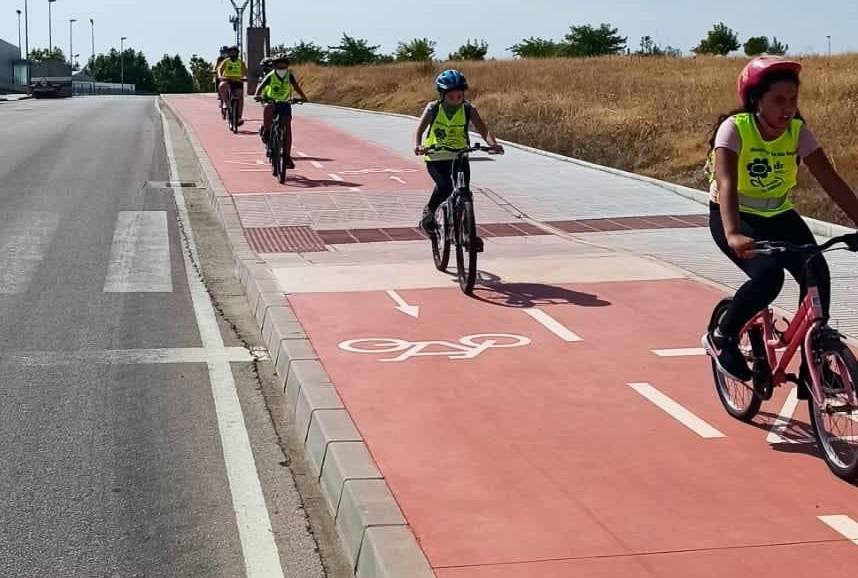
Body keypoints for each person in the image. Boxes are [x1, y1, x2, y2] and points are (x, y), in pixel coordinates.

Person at [702, 56, 858, 386]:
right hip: (736, 216)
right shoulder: (735, 129)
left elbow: (830, 180)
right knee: (768, 276)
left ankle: (813, 364)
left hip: (778, 214)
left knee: (816, 271)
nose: (787, 109)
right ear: (756, 100)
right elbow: (727, 183)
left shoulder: (797, 132)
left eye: (793, 100)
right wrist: (733, 234)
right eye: (778, 100)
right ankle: (723, 335)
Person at [413, 69, 503, 237]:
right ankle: (430, 212)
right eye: (451, 97)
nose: (455, 100)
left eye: (459, 96)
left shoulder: (469, 109)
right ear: (442, 95)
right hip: (436, 156)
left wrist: (493, 145)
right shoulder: (433, 108)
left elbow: (484, 131)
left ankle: (466, 229)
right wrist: (418, 146)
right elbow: (418, 131)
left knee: (464, 191)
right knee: (446, 186)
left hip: (460, 156)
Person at [254, 53, 308, 169]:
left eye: (283, 64)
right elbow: (261, 86)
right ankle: (267, 131)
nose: (281, 67)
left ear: (287, 65)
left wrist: (303, 97)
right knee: (269, 108)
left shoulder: (289, 76)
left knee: (287, 127)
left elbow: (297, 87)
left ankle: (287, 156)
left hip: (284, 102)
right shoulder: (271, 75)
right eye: (279, 64)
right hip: (271, 100)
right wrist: (257, 95)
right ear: (274, 65)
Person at [217, 46, 247, 126]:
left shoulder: (240, 62)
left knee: (240, 96)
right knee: (222, 86)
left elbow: (244, 72)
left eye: (235, 52)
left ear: (237, 53)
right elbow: (220, 69)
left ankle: (239, 117)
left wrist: (244, 77)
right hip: (227, 80)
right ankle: (226, 104)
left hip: (237, 81)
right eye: (231, 52)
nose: (233, 54)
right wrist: (220, 76)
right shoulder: (226, 61)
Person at [214, 45, 230, 112]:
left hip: (229, 75)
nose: (224, 54)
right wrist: (214, 70)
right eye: (223, 52)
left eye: (226, 52)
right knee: (217, 79)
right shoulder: (219, 59)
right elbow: (215, 66)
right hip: (221, 75)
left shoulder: (230, 58)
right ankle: (219, 95)